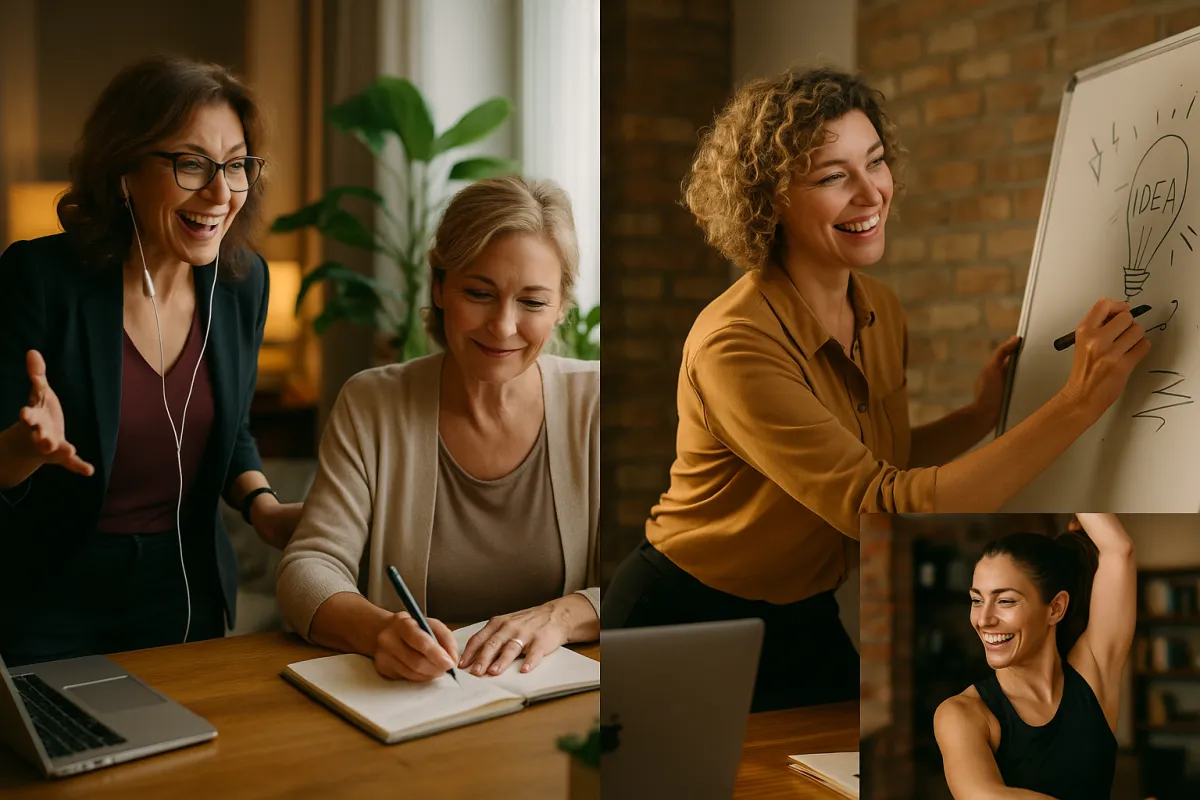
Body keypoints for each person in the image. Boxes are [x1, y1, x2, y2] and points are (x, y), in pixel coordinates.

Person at [601, 66, 1149, 712]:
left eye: (877, 163)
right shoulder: (734, 342)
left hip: (801, 612)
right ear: (770, 199)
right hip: (682, 614)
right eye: (834, 177)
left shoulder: (880, 309)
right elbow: (878, 500)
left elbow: (881, 459)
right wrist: (1079, 403)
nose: (872, 194)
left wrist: (977, 415)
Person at [0, 55, 302, 667]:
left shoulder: (244, 284)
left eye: (237, 165)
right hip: (51, 594)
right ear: (125, 171)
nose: (220, 193)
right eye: (191, 164)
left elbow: (233, 425)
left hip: (184, 589)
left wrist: (261, 505)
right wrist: (26, 450)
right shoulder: (39, 278)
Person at [276, 175, 600, 682]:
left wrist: (562, 616)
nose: (503, 326)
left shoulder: (597, 402)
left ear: (560, 307)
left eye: (533, 302)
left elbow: (651, 574)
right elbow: (308, 569)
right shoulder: (372, 403)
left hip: (567, 713)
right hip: (422, 705)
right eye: (479, 292)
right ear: (440, 287)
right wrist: (379, 630)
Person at [934, 514, 1134, 800]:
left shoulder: (1093, 677)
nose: (984, 619)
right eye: (977, 600)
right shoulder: (962, 714)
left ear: (1055, 608)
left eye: (1005, 601)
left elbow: (1118, 549)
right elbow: (984, 796)